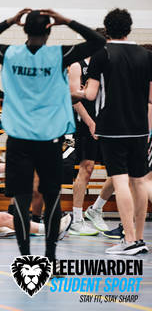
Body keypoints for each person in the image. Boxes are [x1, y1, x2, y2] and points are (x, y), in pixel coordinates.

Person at [0, 8, 106, 261]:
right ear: (49, 30)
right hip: (49, 138)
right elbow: (98, 41)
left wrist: (10, 21)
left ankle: (26, 257)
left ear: (24, 28)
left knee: (21, 200)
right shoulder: (59, 54)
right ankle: (50, 258)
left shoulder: (10, 53)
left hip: (19, 139)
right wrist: (66, 21)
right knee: (52, 197)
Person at [80, 8, 151, 255]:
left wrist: (71, 91)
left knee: (120, 181)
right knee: (139, 182)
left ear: (107, 29)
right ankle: (139, 239)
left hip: (112, 128)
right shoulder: (146, 54)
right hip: (140, 128)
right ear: (129, 28)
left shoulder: (102, 54)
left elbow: (90, 94)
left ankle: (129, 240)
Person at [67, 29, 106, 236]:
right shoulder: (77, 65)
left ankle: (96, 208)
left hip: (108, 122)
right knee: (87, 168)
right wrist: (91, 123)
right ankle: (76, 218)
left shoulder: (107, 65)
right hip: (85, 122)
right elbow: (74, 98)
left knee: (119, 171)